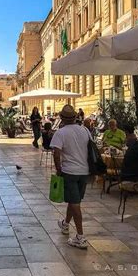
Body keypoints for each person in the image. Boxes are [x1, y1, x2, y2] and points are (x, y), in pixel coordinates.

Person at [51, 105, 90, 249]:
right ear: (75, 117)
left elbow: (56, 153)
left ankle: (80, 237)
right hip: (84, 172)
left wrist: (59, 169)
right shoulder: (85, 130)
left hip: (70, 172)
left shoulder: (61, 133)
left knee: (75, 204)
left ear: (61, 118)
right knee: (74, 200)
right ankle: (66, 225)